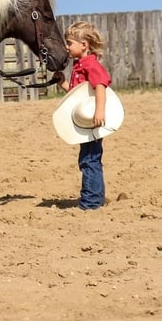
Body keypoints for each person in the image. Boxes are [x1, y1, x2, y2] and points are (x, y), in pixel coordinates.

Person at [53, 21, 112, 210]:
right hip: (87, 120)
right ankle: (96, 198)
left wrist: (99, 111)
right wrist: (62, 83)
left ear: (84, 45)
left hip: (93, 121)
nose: (67, 47)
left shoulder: (90, 65)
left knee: (89, 159)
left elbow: (100, 86)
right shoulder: (80, 65)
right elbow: (76, 95)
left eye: (70, 43)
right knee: (89, 158)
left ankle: (91, 201)